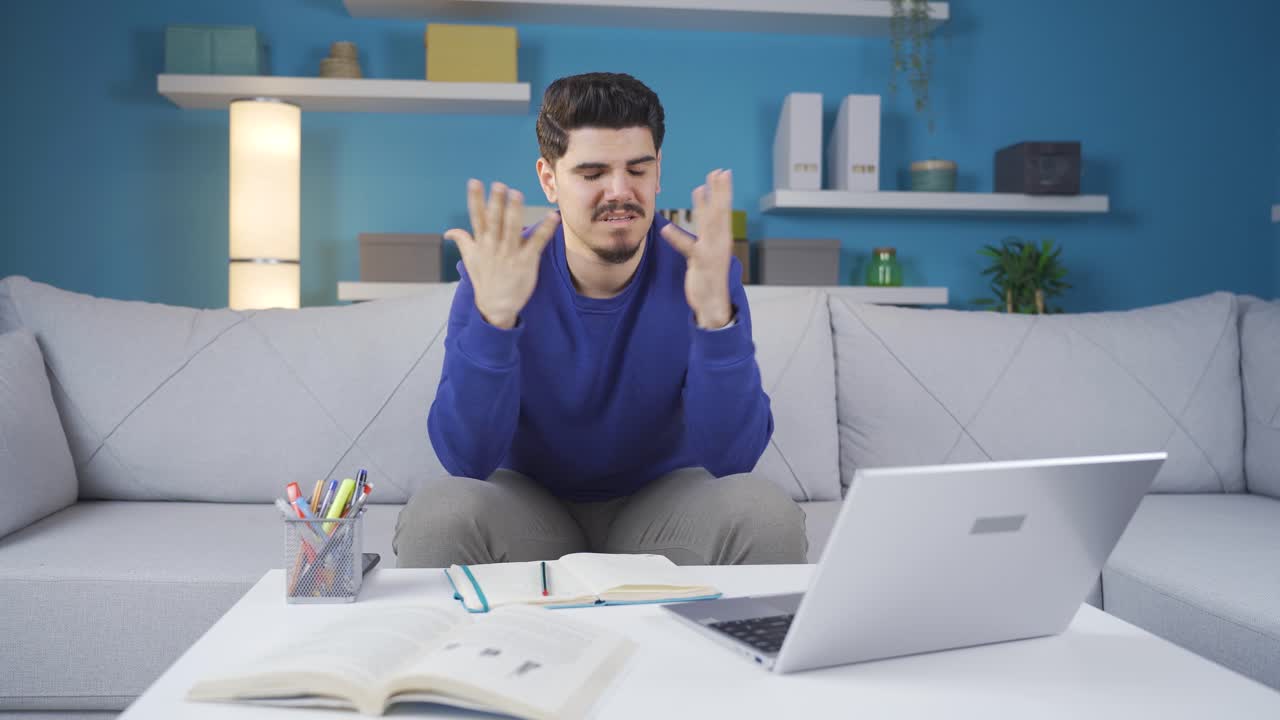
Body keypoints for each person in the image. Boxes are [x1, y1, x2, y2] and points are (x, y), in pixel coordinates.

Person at [394, 72, 806, 568]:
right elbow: (466, 460)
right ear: (550, 179)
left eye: (638, 170)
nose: (619, 192)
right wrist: (494, 321)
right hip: (530, 507)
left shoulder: (705, 270)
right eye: (592, 174)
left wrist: (716, 321)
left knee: (766, 513)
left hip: (662, 507)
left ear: (658, 173)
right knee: (440, 515)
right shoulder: (496, 273)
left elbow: (734, 460)